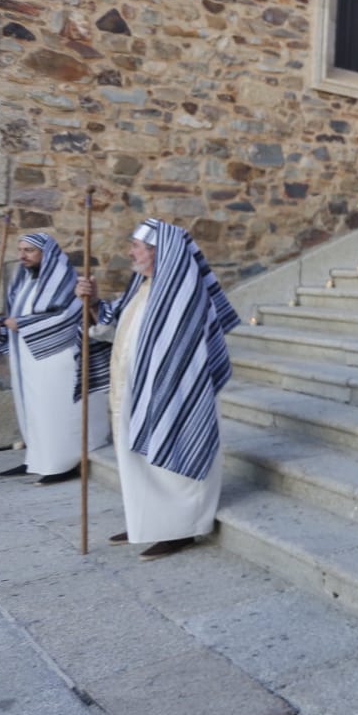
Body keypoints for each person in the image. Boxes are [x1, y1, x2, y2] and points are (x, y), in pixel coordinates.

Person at [75, 220, 240, 560]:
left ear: (158, 251)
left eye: (136, 246)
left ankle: (181, 526)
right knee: (136, 460)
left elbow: (185, 353)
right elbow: (113, 329)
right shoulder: (143, 286)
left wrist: (164, 387)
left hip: (174, 395)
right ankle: (147, 522)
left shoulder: (185, 293)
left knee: (170, 463)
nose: (130, 251)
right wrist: (91, 304)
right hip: (134, 390)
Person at [0, 234, 111, 484]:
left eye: (30, 250)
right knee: (34, 409)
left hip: (59, 357)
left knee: (58, 410)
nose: (22, 255)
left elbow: (71, 315)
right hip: (29, 359)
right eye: (20, 249)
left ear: (48, 253)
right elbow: (15, 318)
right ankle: (37, 458)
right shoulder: (22, 282)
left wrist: (20, 323)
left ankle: (64, 461)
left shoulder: (67, 281)